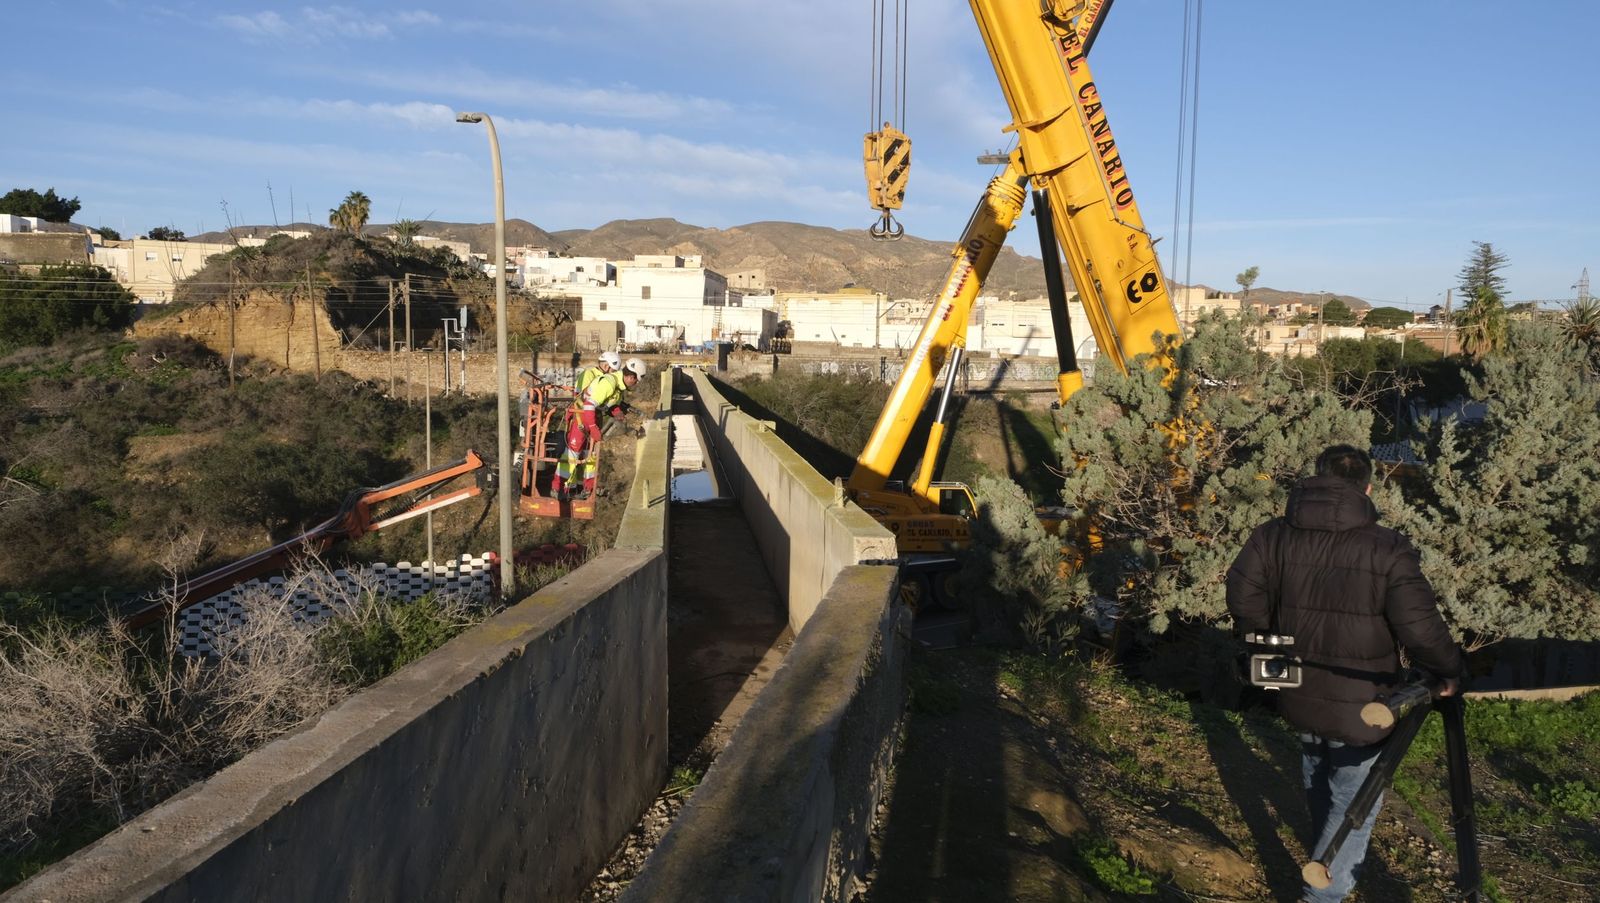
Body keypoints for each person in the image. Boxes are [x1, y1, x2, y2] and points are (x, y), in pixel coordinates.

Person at [1225, 444, 1463, 903]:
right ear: (1368, 489)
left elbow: (1241, 592)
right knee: (1355, 799)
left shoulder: (1272, 535)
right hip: (1364, 696)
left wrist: (1266, 640)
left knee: (1317, 765)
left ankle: (1321, 858)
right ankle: (1322, 895)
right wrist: (1449, 669)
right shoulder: (1388, 547)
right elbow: (1418, 625)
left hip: (1297, 682)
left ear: (1316, 477)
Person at [554, 356, 646, 500]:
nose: (636, 383)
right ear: (630, 377)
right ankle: (558, 488)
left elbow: (608, 403)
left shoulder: (617, 387)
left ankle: (587, 488)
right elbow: (589, 404)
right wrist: (592, 427)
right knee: (572, 453)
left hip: (591, 417)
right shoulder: (609, 383)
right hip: (582, 416)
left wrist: (617, 411)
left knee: (590, 454)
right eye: (636, 380)